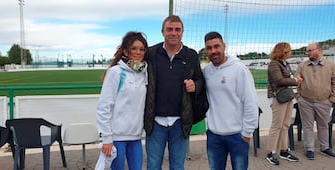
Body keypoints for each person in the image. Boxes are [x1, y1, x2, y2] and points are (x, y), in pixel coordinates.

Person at [144, 15, 205, 169]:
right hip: (155, 122)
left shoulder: (191, 55)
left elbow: (200, 80)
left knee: (177, 166)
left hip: (180, 122)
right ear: (162, 32)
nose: (173, 33)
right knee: (153, 166)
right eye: (169, 29)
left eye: (177, 29)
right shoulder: (151, 53)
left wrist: (195, 85)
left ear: (182, 32)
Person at [202, 31, 258, 170]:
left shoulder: (239, 70)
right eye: (209, 48)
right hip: (214, 136)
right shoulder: (206, 71)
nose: (213, 51)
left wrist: (247, 133)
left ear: (224, 46)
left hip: (237, 136)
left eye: (216, 46)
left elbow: (250, 102)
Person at [96, 31, 149, 170]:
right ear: (126, 51)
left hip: (136, 137)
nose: (138, 52)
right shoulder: (116, 72)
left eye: (141, 49)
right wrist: (107, 138)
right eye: (134, 48)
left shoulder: (145, 73)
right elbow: (104, 106)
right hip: (116, 138)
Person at [296, 42, 335, 160]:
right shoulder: (302, 66)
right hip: (305, 101)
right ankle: (309, 149)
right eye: (307, 51)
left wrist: (331, 100)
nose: (308, 53)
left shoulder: (332, 66)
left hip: (324, 101)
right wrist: (299, 98)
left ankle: (325, 147)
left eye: (310, 50)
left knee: (323, 125)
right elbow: (296, 82)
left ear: (319, 50)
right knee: (307, 126)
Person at [265, 42, 302, 165]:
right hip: (278, 97)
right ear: (284, 51)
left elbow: (286, 79)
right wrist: (295, 80)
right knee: (277, 126)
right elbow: (279, 80)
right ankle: (270, 152)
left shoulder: (285, 63)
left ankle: (283, 150)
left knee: (285, 125)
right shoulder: (274, 64)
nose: (290, 53)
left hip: (287, 97)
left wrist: (293, 79)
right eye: (289, 51)